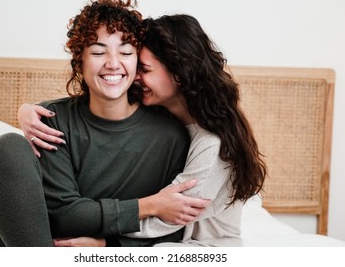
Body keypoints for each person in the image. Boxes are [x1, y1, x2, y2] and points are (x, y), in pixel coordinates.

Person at [0, 0, 210, 247]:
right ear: (80, 62)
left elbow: (170, 229)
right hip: (38, 247)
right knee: (7, 147)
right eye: (98, 52)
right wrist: (150, 205)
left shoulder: (170, 135)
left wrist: (107, 246)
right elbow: (63, 217)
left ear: (137, 63)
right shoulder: (50, 121)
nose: (113, 64)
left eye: (126, 52)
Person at [17, 14, 268, 247]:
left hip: (200, 248)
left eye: (144, 70)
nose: (133, 76)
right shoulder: (160, 118)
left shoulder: (210, 143)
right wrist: (28, 110)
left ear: (178, 74)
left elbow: (169, 216)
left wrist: (105, 244)